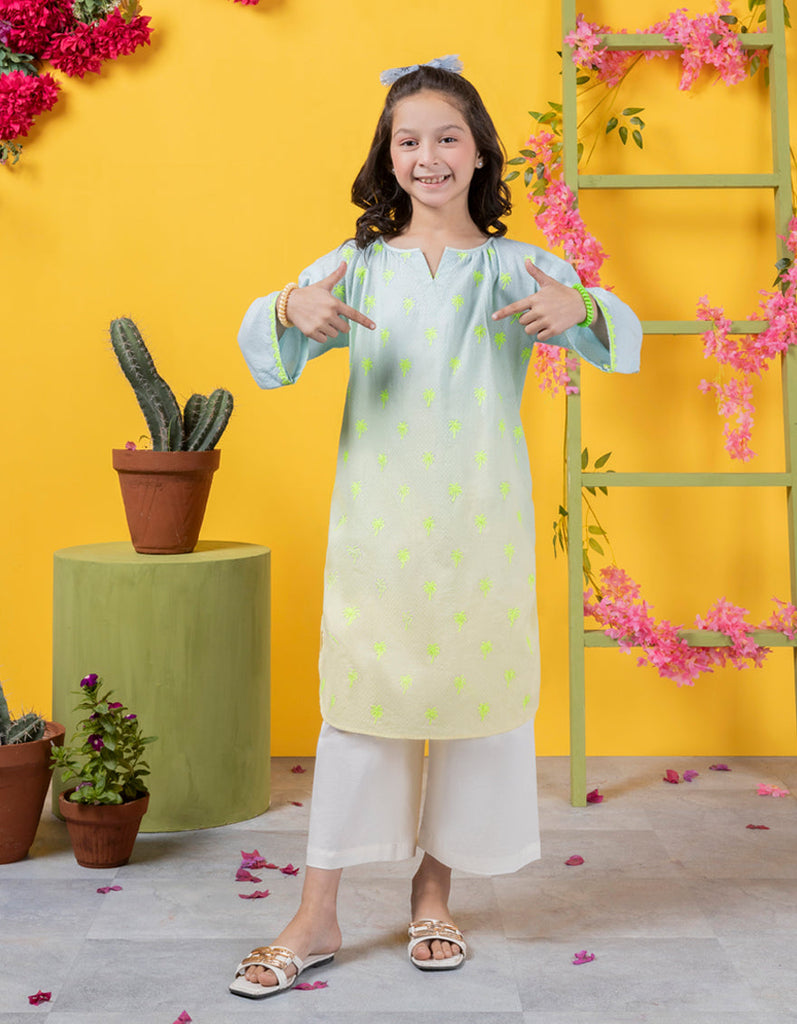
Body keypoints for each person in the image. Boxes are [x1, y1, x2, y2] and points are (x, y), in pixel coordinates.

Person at [231, 56, 642, 999]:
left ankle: (433, 896)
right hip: (377, 531)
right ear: (387, 156)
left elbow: (614, 334)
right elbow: (270, 349)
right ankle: (316, 913)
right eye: (407, 140)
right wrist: (290, 305)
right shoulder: (356, 264)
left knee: (466, 709)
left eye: (446, 137)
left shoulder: (518, 265)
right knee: (359, 713)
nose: (428, 156)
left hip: (479, 528)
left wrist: (577, 303)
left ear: (478, 151)